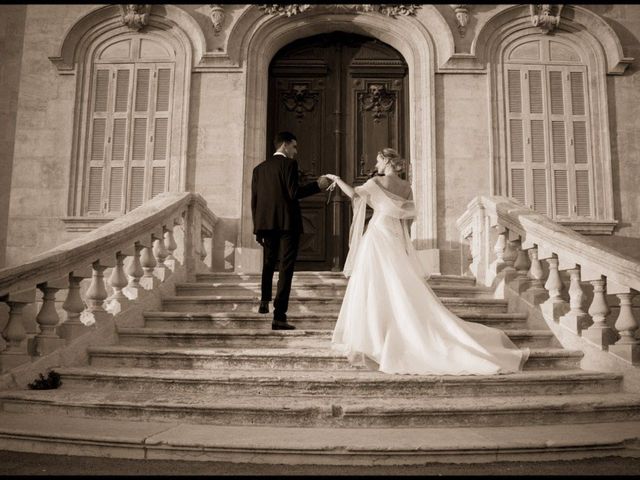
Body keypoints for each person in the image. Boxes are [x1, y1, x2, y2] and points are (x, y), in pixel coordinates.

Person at [324, 148, 529, 374]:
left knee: (375, 286)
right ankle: (386, 333)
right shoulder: (406, 187)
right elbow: (407, 222)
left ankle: (375, 337)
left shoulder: (375, 182)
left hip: (378, 234)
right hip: (395, 237)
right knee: (397, 286)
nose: (376, 164)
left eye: (378, 160)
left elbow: (354, 195)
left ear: (385, 161)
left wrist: (337, 179)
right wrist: (406, 246)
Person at [251, 131, 331, 330]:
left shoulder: (258, 169)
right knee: (285, 268)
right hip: (288, 224)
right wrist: (318, 186)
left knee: (268, 263)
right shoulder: (289, 164)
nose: (296, 151)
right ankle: (279, 316)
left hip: (266, 224)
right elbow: (294, 192)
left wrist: (257, 228)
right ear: (285, 145)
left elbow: (255, 200)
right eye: (294, 147)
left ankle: (264, 300)